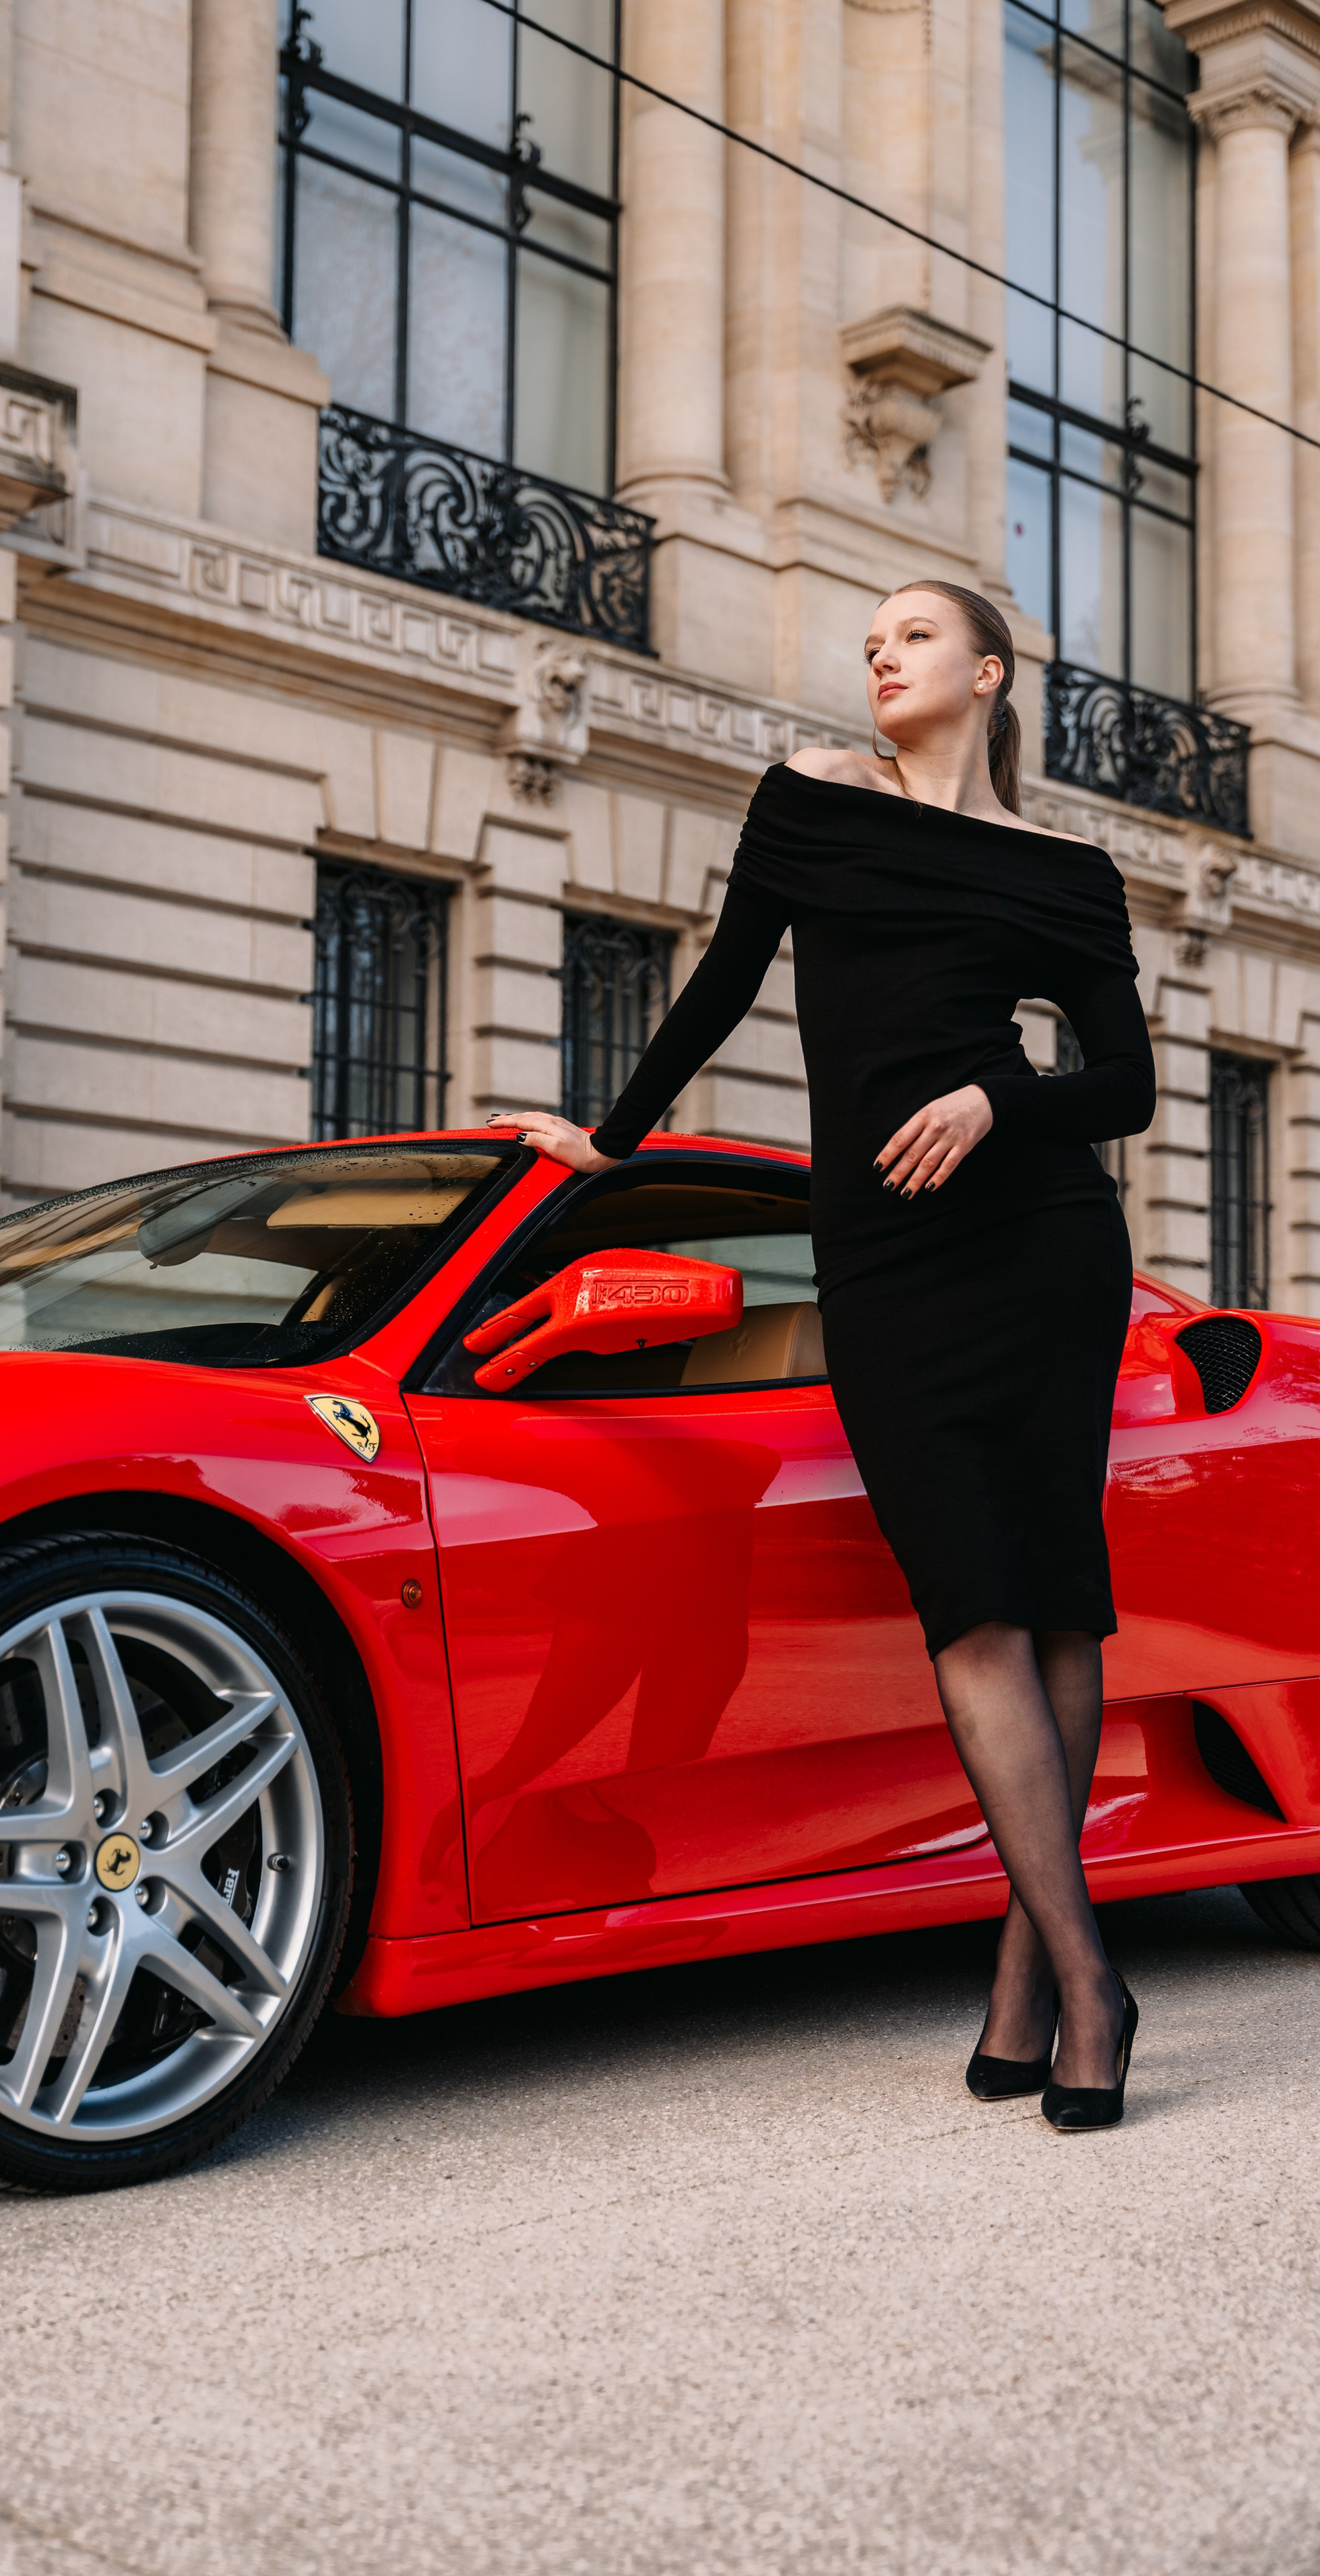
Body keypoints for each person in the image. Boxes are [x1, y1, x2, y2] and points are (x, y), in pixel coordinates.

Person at [489, 580, 1156, 2132]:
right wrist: (610, 1138)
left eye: (911, 637)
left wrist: (1004, 1101)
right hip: (887, 1257)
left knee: (1055, 1601)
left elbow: (1116, 1085)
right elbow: (720, 981)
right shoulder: (804, 807)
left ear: (987, 672)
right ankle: (1091, 1973)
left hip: (1041, 1237)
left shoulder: (1069, 868)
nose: (879, 655)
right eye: (869, 641)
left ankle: (1032, 1991)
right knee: (970, 1600)